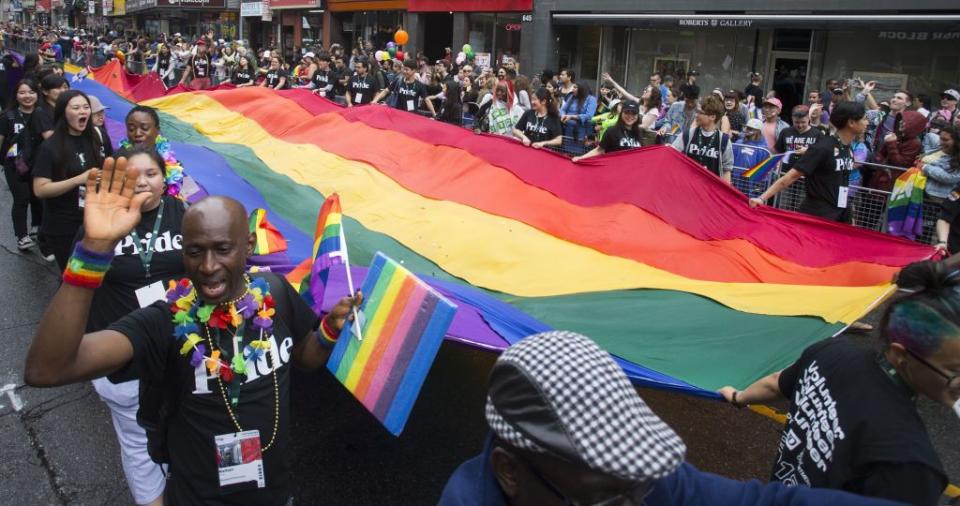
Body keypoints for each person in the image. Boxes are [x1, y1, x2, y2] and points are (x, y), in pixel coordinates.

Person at [24, 163, 362, 504]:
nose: (208, 266)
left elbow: (303, 358)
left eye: (223, 249)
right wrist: (93, 252)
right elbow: (47, 369)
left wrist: (328, 330)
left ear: (247, 246)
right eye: (195, 251)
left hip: (275, 495)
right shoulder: (164, 321)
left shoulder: (274, 292)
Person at [440, 330, 904, 506]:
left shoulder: (625, 478)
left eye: (635, 487)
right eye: (600, 501)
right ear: (509, 473)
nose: (634, 502)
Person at [719, 260, 958, 505]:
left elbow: (775, 383)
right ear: (901, 356)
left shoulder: (832, 352)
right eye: (955, 370)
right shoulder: (910, 466)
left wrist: (739, 397)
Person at [80, 146, 185, 506]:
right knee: (139, 443)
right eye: (132, 175)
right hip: (123, 360)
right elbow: (78, 283)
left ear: (165, 176)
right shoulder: (104, 218)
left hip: (177, 354)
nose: (142, 182)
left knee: (180, 431)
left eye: (151, 174)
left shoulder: (183, 213)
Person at [750, 101, 866, 222]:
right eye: (864, 119)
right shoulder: (823, 148)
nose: (866, 122)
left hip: (840, 212)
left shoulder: (847, 148)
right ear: (851, 123)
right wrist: (762, 199)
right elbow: (791, 176)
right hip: (817, 215)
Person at [32, 90, 104, 271]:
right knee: (72, 275)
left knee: (94, 273)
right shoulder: (50, 146)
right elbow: (40, 189)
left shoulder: (96, 137)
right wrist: (78, 180)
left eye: (86, 107)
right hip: (63, 226)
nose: (83, 112)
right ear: (63, 112)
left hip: (93, 220)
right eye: (76, 108)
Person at [0, 79, 43, 251]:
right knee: (21, 198)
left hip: (38, 163)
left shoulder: (42, 115)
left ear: (37, 94)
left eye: (31, 92)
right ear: (16, 95)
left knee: (38, 196)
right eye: (22, 92)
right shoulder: (7, 116)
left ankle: (36, 227)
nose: (27, 96)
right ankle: (21, 236)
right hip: (14, 164)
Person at [672, 94, 733, 183]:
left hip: (710, 190)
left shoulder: (724, 140)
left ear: (712, 117)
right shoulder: (687, 135)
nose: (696, 115)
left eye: (700, 112)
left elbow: (726, 170)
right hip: (687, 186)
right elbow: (672, 155)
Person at [573, 100, 644, 162]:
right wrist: (581, 158)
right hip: (614, 171)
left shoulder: (639, 133)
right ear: (621, 113)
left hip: (633, 171)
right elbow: (599, 150)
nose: (630, 116)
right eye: (627, 112)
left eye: (634, 113)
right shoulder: (612, 131)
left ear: (637, 116)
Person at [372, 59, 436, 117]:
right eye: (403, 69)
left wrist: (434, 115)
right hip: (396, 114)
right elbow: (386, 91)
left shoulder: (420, 85)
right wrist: (375, 100)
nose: (404, 71)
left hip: (411, 116)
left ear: (414, 70)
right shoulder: (398, 80)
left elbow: (427, 100)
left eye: (406, 69)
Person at [774, 105, 822, 173]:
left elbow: (822, 156)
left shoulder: (817, 134)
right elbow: (778, 152)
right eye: (796, 122)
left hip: (807, 174)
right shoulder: (785, 132)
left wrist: (808, 151)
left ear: (808, 118)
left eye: (803, 122)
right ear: (792, 119)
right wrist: (777, 163)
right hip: (785, 173)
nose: (800, 125)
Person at [921, 126, 960, 205]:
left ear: (956, 141)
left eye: (945, 140)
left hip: (941, 200)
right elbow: (929, 136)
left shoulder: (957, 158)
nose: (941, 142)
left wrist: (925, 167)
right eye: (940, 138)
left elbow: (951, 178)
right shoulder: (938, 150)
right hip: (925, 194)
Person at [559, 83, 597, 156]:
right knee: (566, 154)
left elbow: (589, 115)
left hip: (581, 131)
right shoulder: (571, 97)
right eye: (573, 87)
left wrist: (572, 117)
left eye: (575, 87)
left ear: (582, 89)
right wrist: (563, 115)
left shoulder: (591, 99)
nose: (572, 89)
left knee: (578, 155)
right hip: (568, 130)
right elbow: (562, 109)